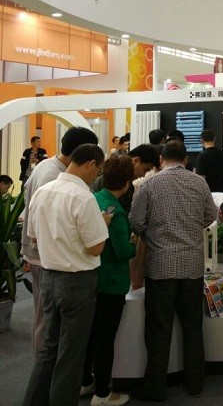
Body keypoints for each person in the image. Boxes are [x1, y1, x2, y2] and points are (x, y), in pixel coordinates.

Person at [129, 139, 217, 402]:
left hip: (160, 267)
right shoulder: (199, 183)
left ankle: (155, 388)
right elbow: (210, 217)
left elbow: (136, 222)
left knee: (159, 330)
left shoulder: (149, 185)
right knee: (193, 328)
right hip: (192, 267)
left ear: (160, 159)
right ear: (186, 160)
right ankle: (195, 383)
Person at [23, 144, 110, 406]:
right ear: (91, 164)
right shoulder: (83, 197)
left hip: (48, 277)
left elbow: (33, 236)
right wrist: (102, 224)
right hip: (77, 281)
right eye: (97, 170)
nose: (95, 177)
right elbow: (96, 247)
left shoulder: (42, 191)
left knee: (49, 349)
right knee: (71, 355)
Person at [21, 126, 99, 355]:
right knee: (46, 321)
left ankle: (45, 366)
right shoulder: (54, 176)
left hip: (42, 254)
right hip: (46, 257)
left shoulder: (46, 166)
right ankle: (43, 366)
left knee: (45, 317)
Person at [82, 156, 136, 406]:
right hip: (112, 282)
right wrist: (135, 244)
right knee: (105, 339)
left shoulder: (94, 199)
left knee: (90, 335)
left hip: (92, 278)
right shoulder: (117, 212)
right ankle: (103, 393)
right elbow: (123, 251)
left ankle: (85, 381)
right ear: (127, 183)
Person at [91, 143, 159, 213]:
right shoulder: (114, 177)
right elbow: (107, 209)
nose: (143, 175)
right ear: (135, 161)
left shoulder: (127, 182)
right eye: (145, 170)